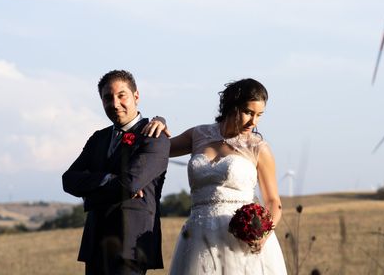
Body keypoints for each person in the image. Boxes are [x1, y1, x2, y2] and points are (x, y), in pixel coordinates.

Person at [146, 78, 287, 274]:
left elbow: (273, 201)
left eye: (259, 115)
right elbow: (158, 149)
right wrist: (159, 122)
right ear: (232, 106)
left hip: (240, 241)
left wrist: (262, 234)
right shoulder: (198, 135)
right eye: (248, 112)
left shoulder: (258, 148)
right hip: (198, 236)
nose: (253, 122)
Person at [63, 70, 171, 275]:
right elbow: (68, 180)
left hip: (130, 245)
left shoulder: (154, 136)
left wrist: (90, 191)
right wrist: (107, 178)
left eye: (122, 95)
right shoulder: (98, 138)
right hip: (96, 242)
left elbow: (130, 183)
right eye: (107, 98)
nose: (114, 103)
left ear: (136, 96)